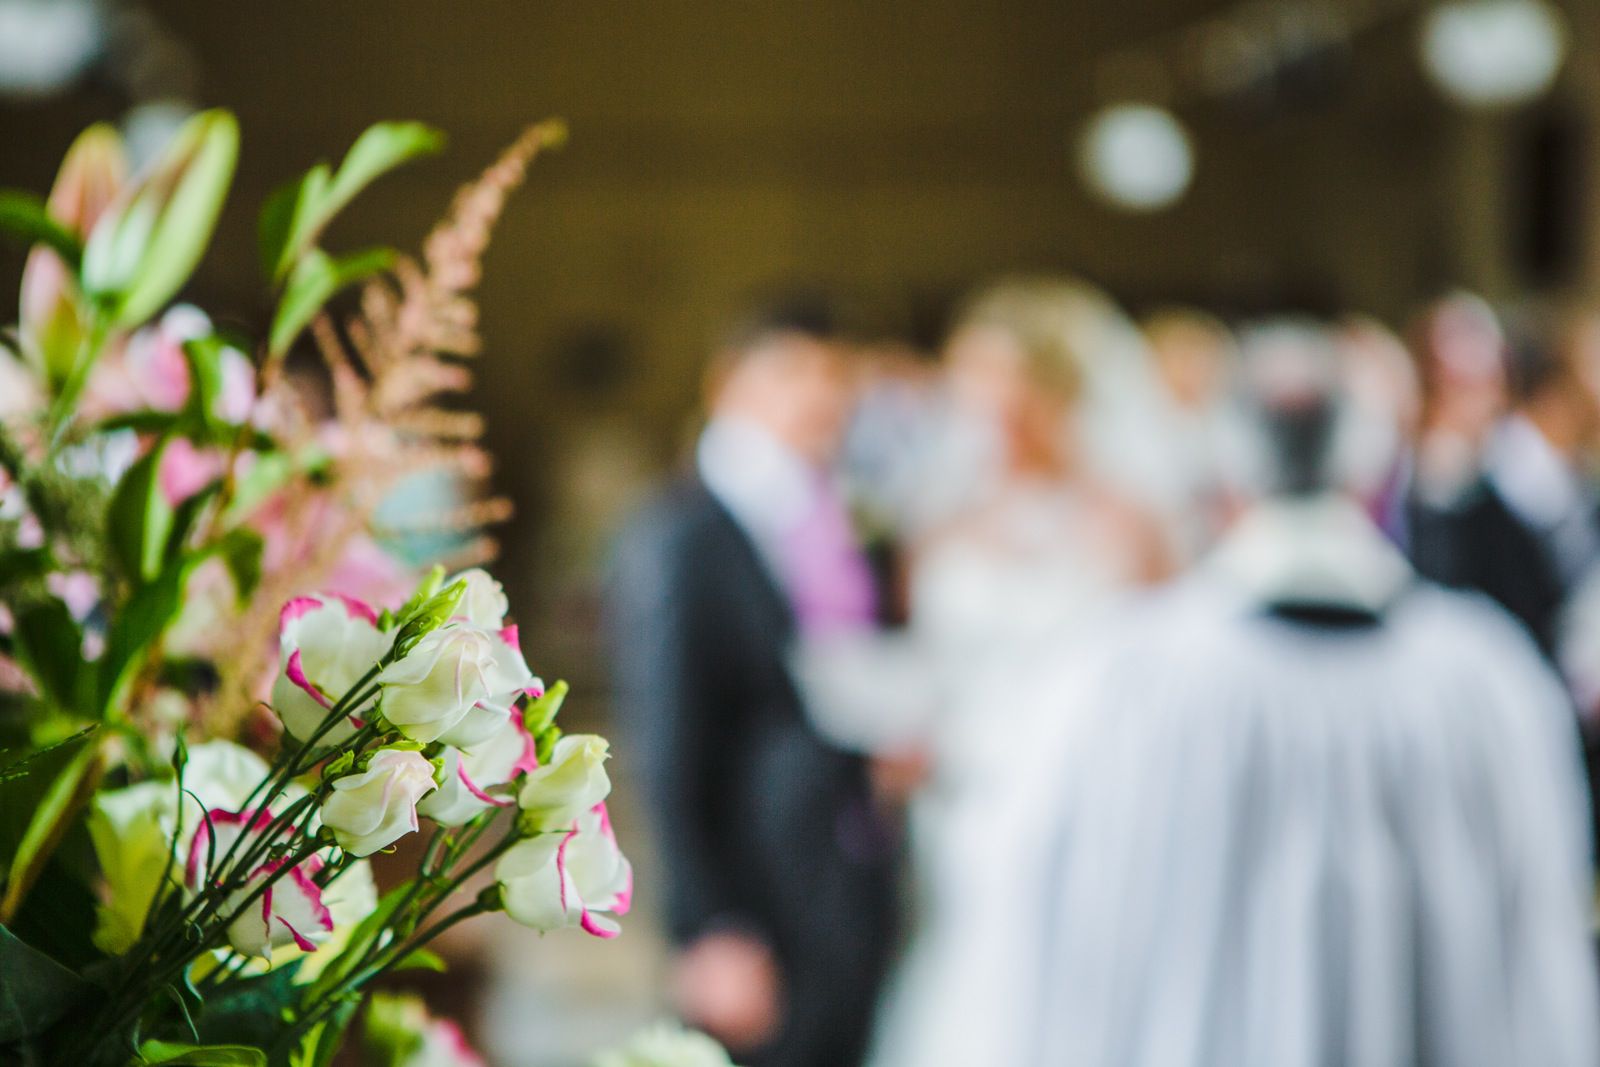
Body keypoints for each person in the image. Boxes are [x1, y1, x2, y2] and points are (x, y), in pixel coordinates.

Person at [984, 321, 1600, 1066]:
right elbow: (1539, 964)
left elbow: (1039, 958)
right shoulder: (1487, 683)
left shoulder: (1117, 684)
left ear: (1227, 480)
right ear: (1369, 469)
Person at [866, 278, 1170, 1067]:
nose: (988, 412)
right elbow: (923, 659)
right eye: (974, 390)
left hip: (1094, 803)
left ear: (1059, 394)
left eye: (1008, 391)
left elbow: (1172, 672)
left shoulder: (1129, 523)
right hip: (960, 808)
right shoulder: (939, 524)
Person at [605, 295, 896, 1067]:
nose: (820, 396)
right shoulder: (683, 532)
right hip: (753, 889)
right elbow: (667, 739)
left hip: (842, 869)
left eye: (835, 375)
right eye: (794, 371)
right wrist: (707, 928)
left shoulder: (834, 513)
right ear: (728, 382)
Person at [1409, 305, 1600, 656]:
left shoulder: (1552, 474)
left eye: (1490, 380)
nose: (1483, 400)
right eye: (1460, 386)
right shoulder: (1450, 484)